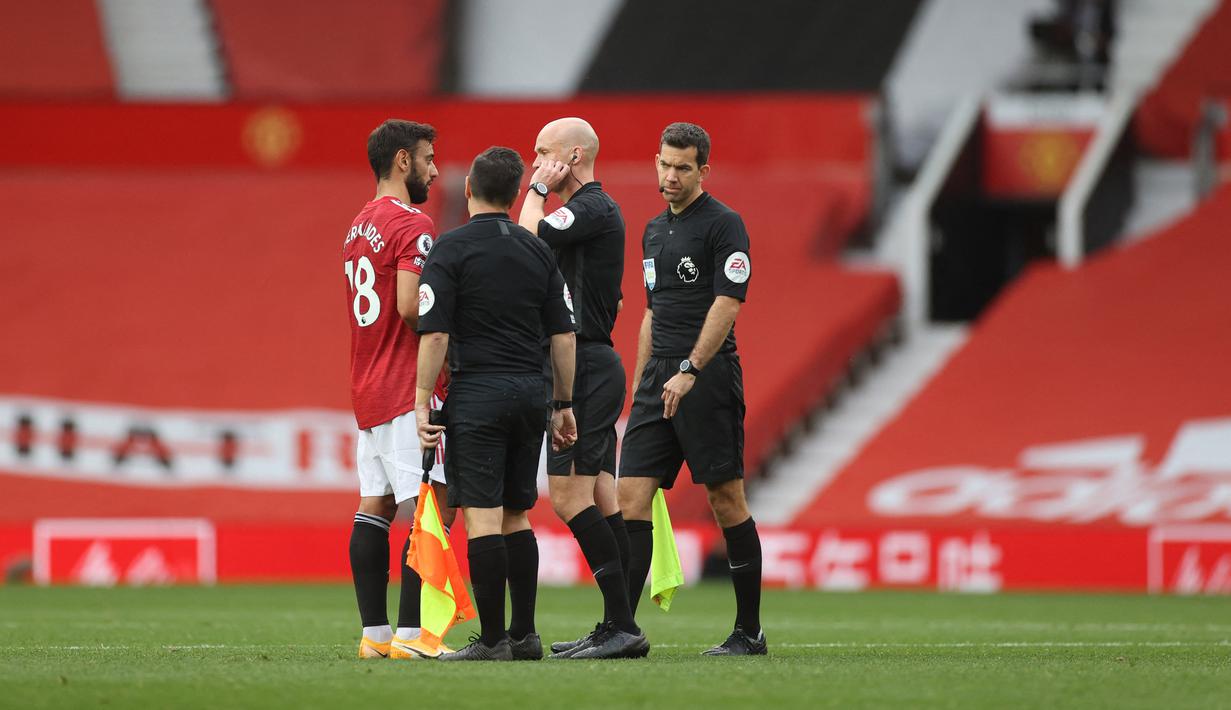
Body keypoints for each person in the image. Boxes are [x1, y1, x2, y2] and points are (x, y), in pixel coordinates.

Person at [414, 146, 583, 662]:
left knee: (483, 519)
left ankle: (491, 641)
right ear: (515, 196)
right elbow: (564, 336)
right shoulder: (538, 252)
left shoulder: (449, 250)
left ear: (468, 191)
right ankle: (525, 635)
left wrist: (423, 401)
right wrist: (563, 403)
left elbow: (436, 334)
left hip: (479, 395)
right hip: (531, 392)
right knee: (518, 515)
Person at [618, 122, 766, 656]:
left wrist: (691, 368)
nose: (670, 176)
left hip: (706, 378)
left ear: (704, 169)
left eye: (682, 167)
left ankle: (749, 632)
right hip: (658, 379)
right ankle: (621, 629)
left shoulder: (725, 225)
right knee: (629, 497)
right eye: (664, 165)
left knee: (726, 499)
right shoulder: (653, 230)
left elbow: (727, 302)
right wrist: (642, 383)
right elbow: (652, 312)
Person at [516, 117, 644, 659]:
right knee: (600, 495)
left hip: (584, 368)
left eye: (544, 152)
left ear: (572, 154)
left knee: (569, 499)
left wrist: (537, 190)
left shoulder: (590, 206)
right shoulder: (589, 215)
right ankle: (619, 623)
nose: (536, 160)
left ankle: (622, 626)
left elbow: (525, 239)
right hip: (588, 362)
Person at [343, 119, 455, 660]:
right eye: (429, 158)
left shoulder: (357, 226)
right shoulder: (413, 223)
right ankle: (412, 638)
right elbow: (412, 306)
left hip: (366, 385)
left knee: (374, 505)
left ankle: (374, 636)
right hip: (407, 385)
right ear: (403, 162)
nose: (435, 170)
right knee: (428, 505)